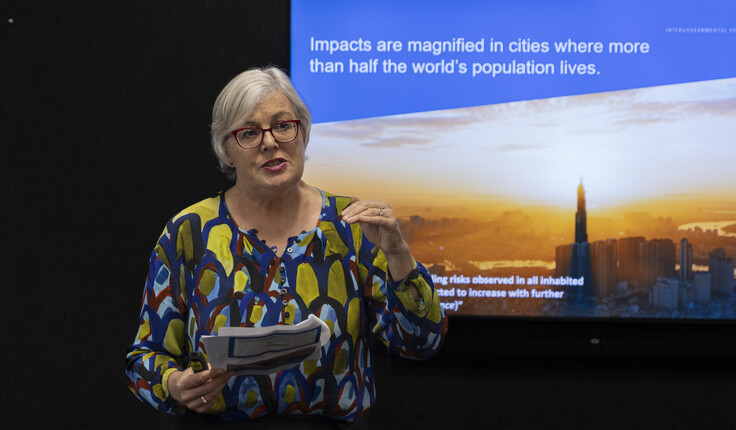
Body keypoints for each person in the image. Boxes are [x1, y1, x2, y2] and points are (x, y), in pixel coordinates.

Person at [125, 66, 448, 428]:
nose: (269, 142)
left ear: (303, 133)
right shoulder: (189, 231)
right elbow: (144, 359)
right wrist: (174, 384)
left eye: (282, 125)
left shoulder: (352, 224)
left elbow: (421, 343)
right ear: (226, 150)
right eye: (249, 132)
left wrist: (398, 255)